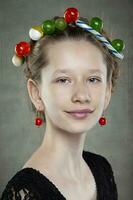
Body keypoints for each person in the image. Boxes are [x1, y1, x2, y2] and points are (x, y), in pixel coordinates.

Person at [1, 7, 125, 200]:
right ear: (37, 93)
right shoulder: (25, 192)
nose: (81, 95)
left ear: (108, 91)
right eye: (63, 80)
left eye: (93, 79)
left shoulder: (102, 169)